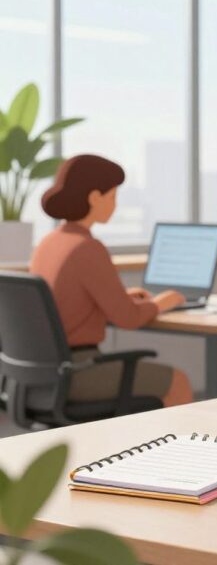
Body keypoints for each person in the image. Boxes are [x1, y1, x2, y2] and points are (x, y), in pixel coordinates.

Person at [29, 154, 193, 407]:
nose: (115, 206)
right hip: (78, 371)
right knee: (177, 383)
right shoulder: (87, 247)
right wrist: (161, 303)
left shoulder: (48, 243)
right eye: (113, 196)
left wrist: (122, 297)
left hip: (39, 373)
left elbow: (65, 301)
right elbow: (127, 318)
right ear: (95, 197)